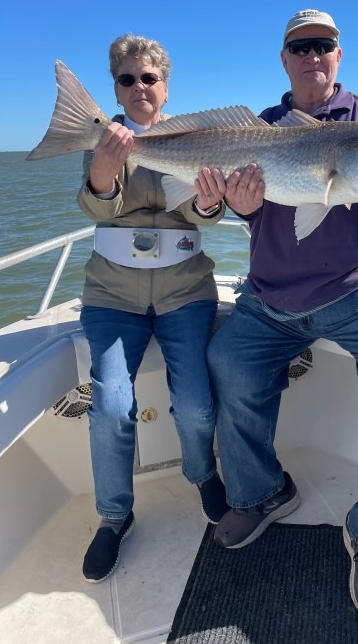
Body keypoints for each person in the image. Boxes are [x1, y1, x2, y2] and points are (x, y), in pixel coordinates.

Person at [207, 9, 358, 618]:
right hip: (274, 297)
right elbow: (268, 212)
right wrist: (230, 204)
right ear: (284, 59)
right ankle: (262, 493)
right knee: (228, 359)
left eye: (325, 45)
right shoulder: (259, 131)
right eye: (301, 46)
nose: (314, 54)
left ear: (339, 56)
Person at [78, 33, 229, 583]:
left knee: (195, 404)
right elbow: (97, 202)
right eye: (127, 79)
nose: (140, 87)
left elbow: (206, 214)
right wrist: (103, 162)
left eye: (149, 78)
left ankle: (203, 474)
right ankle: (114, 515)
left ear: (166, 87)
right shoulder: (107, 140)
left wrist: (212, 199)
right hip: (112, 297)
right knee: (112, 405)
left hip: (183, 292)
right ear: (115, 88)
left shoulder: (195, 138)